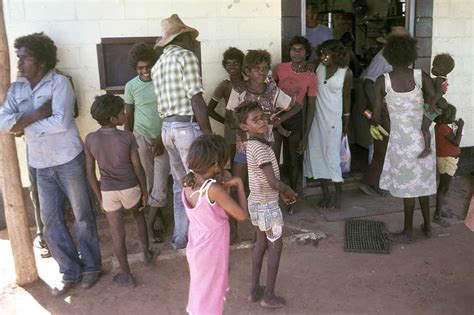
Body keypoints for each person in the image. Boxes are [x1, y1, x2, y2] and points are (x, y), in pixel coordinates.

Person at [0, 32, 101, 295]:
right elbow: (3, 123)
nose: (20, 63)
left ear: (43, 61)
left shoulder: (60, 84)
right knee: (50, 220)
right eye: (19, 57)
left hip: (68, 159)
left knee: (83, 216)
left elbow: (62, 122)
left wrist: (23, 124)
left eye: (26, 58)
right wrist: (37, 114)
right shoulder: (16, 88)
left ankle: (91, 268)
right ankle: (69, 271)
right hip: (39, 163)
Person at [152, 14, 212, 249]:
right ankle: (202, 240)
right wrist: (207, 133)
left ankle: (180, 238)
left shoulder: (158, 65)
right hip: (186, 128)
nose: (192, 41)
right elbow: (195, 97)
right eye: (190, 37)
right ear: (183, 37)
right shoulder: (186, 57)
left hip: (168, 129)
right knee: (200, 185)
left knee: (181, 186)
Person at [372, 33, 437, 243]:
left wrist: (377, 121)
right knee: (423, 182)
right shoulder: (421, 76)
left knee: (408, 187)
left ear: (389, 57)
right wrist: (425, 123)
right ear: (411, 56)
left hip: (401, 141)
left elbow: (374, 116)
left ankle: (408, 231)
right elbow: (434, 106)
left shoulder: (383, 82)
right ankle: (427, 225)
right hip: (423, 137)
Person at [85, 94, 153, 287]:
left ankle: (126, 274)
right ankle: (146, 254)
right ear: (113, 119)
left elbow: (90, 173)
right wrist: (144, 189)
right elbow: (138, 167)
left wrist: (99, 198)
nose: (125, 114)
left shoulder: (91, 139)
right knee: (139, 217)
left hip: (108, 191)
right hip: (131, 187)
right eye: (122, 113)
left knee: (117, 234)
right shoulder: (127, 137)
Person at [235, 101, 297, 309]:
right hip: (268, 206)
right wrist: (288, 190)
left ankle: (254, 289)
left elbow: (264, 182)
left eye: (262, 117)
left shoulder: (252, 145)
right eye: (255, 120)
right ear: (245, 127)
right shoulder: (260, 149)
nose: (262, 122)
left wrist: (281, 193)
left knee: (260, 244)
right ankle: (268, 295)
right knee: (275, 246)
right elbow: (272, 182)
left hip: (257, 202)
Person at [182, 134, 248, 314]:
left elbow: (208, 210)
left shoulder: (189, 182)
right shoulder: (213, 190)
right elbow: (241, 215)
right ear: (215, 165)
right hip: (212, 250)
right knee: (211, 297)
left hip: (197, 247)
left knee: (201, 292)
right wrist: (240, 184)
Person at [226, 49, 295, 193]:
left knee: (267, 182)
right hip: (243, 145)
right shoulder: (239, 90)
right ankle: (242, 213)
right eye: (256, 69)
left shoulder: (272, 90)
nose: (261, 72)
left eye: (264, 68)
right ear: (247, 71)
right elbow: (230, 118)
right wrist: (243, 127)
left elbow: (292, 104)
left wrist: (277, 120)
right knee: (238, 183)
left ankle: (264, 212)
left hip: (266, 144)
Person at [124, 42, 170, 243]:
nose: (145, 71)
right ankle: (157, 215)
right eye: (140, 68)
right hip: (141, 137)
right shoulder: (131, 86)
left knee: (160, 179)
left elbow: (170, 111)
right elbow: (129, 115)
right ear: (135, 68)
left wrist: (161, 137)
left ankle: (151, 221)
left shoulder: (164, 82)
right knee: (149, 178)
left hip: (164, 137)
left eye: (148, 66)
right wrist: (126, 143)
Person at [302, 39, 353, 210]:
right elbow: (309, 64)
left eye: (327, 54)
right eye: (322, 53)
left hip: (333, 121)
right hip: (316, 119)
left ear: (336, 55)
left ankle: (338, 196)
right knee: (317, 157)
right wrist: (310, 64)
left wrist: (346, 121)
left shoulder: (346, 72)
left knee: (332, 158)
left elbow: (347, 98)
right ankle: (325, 195)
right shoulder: (318, 67)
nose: (323, 56)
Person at [358, 26, 408, 197]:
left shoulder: (394, 57)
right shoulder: (383, 58)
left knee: (385, 148)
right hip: (378, 110)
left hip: (386, 109)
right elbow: (368, 82)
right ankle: (371, 182)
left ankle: (373, 182)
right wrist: (377, 110)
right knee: (383, 148)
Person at [273, 36, 317, 193]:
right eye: (294, 49)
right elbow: (269, 92)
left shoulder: (311, 76)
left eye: (301, 50)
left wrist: (305, 137)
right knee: (273, 160)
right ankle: (273, 196)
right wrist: (275, 122)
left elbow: (310, 107)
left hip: (295, 120)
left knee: (294, 161)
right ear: (289, 51)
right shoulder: (280, 68)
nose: (297, 53)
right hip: (276, 116)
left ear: (306, 53)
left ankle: (292, 195)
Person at [207, 47, 245, 162]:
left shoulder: (249, 82)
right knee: (235, 158)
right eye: (228, 63)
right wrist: (225, 121)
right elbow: (209, 110)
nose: (232, 66)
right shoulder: (225, 85)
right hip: (232, 128)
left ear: (242, 64)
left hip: (249, 125)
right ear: (224, 65)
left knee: (250, 157)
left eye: (235, 63)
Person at [418, 53, 454, 158]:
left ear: (442, 69)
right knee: (425, 127)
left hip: (431, 107)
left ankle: (427, 148)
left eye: (435, 67)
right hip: (432, 106)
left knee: (424, 128)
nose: (432, 69)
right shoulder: (443, 78)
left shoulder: (439, 79)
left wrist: (432, 105)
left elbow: (438, 93)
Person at [433, 105, 464, 227]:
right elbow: (456, 142)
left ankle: (439, 211)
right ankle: (437, 215)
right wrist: (460, 128)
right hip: (447, 160)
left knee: (444, 187)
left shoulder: (441, 126)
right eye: (453, 116)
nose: (454, 118)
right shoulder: (443, 128)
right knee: (443, 187)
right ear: (447, 116)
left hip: (447, 159)